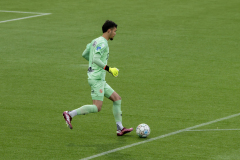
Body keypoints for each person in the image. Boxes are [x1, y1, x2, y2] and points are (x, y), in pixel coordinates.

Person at [63, 20, 133, 136]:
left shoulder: (95, 41)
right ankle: (70, 114)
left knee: (117, 99)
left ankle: (120, 128)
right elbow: (95, 59)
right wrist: (109, 69)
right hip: (96, 79)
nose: (115, 33)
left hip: (98, 78)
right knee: (97, 107)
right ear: (109, 30)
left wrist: (94, 66)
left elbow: (85, 54)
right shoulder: (103, 43)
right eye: (114, 31)